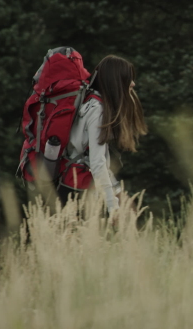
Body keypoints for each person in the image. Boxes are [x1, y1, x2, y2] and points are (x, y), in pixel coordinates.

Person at [62, 55, 148, 213]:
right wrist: (113, 206)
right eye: (128, 79)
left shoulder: (90, 103)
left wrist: (118, 194)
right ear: (116, 82)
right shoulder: (98, 111)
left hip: (72, 184)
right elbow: (97, 163)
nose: (133, 84)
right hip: (78, 190)